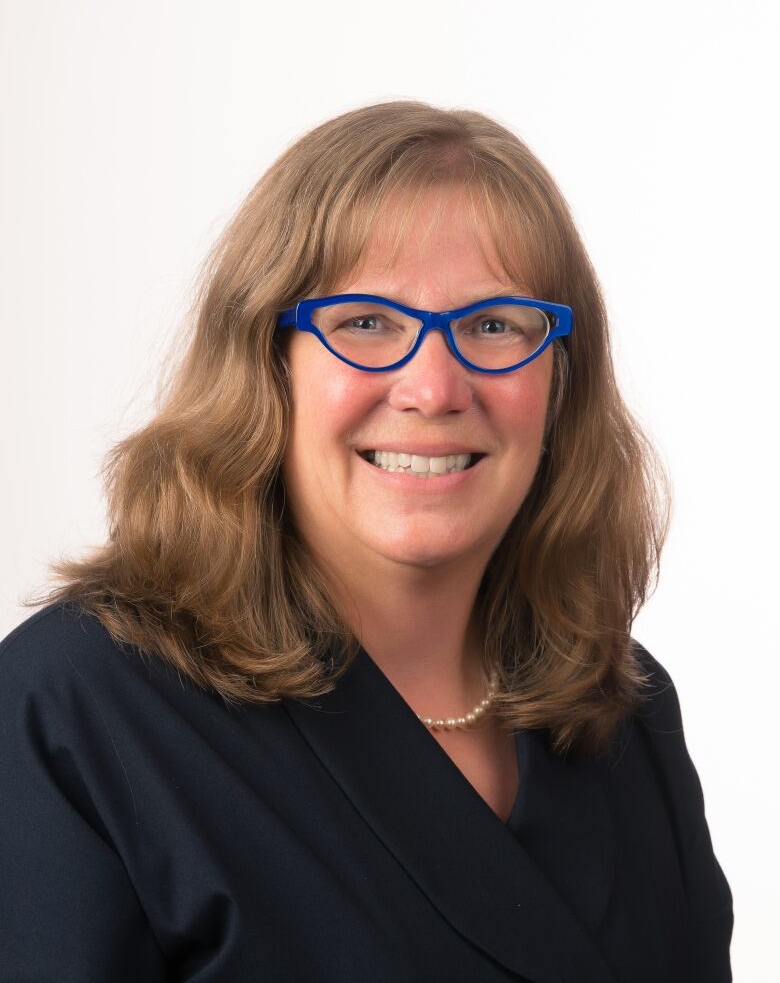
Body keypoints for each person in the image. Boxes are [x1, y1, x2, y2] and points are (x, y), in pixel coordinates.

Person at [0, 100, 733, 982]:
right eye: (365, 322)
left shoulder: (627, 713)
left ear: (560, 379)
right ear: (265, 363)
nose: (433, 387)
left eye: (494, 324)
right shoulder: (74, 709)